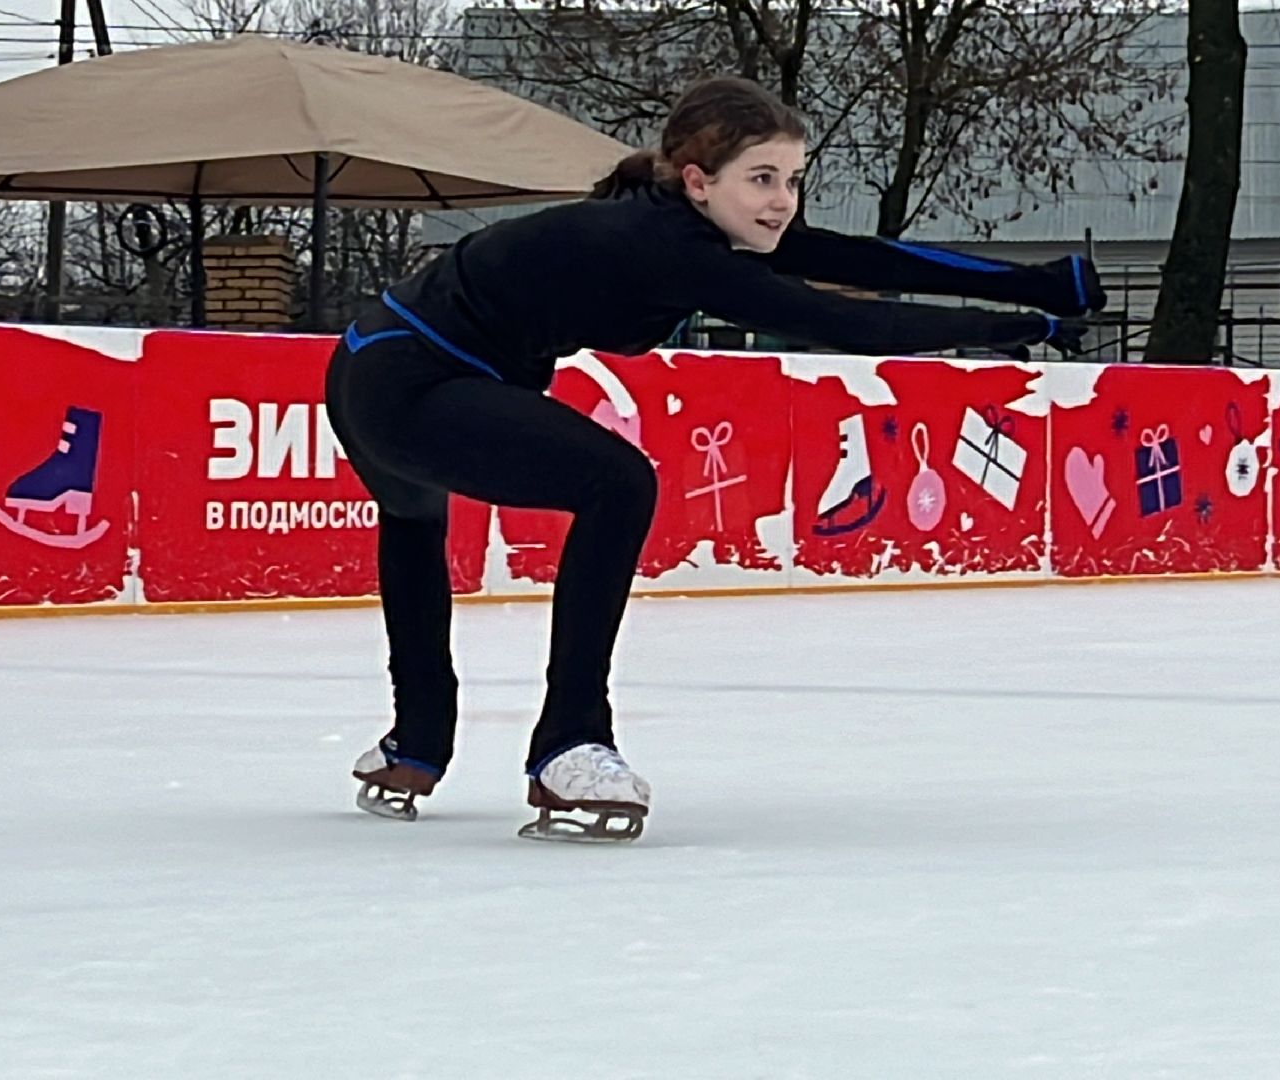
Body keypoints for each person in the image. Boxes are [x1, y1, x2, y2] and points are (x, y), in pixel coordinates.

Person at [325, 75, 1107, 843]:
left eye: (794, 179)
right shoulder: (667, 247)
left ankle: (416, 743)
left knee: (414, 516)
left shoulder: (689, 228)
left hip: (379, 361)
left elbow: (870, 260)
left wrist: (1036, 283)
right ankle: (568, 743)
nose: (782, 200)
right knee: (615, 484)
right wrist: (1017, 328)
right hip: (405, 379)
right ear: (698, 181)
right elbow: (843, 321)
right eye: (762, 178)